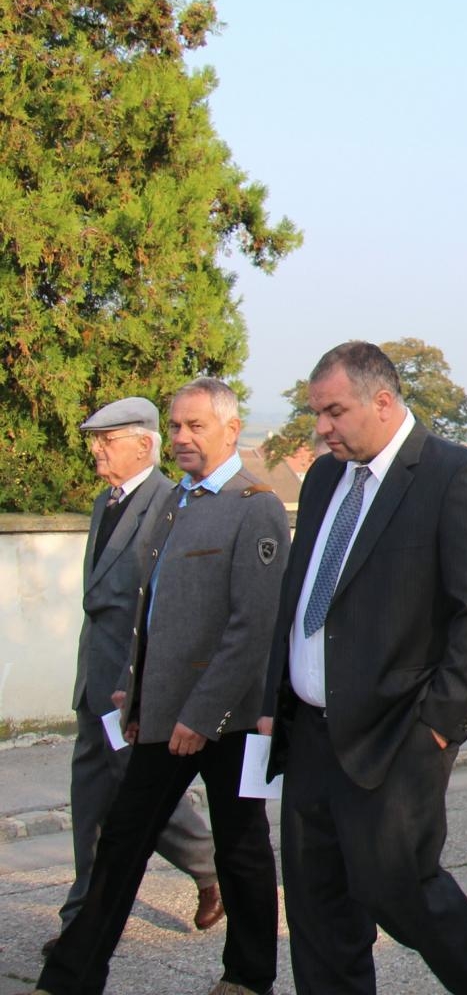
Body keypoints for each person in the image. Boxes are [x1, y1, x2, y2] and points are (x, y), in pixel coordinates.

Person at [256, 343, 467, 995]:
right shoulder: (325, 478)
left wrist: (438, 725)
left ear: (382, 401)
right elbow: (300, 591)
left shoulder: (454, 476)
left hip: (396, 731)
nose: (321, 428)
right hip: (310, 733)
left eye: (334, 412)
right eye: (316, 413)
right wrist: (276, 696)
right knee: (316, 902)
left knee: (397, 885)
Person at [40, 380, 287, 995]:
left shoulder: (254, 506)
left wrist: (201, 716)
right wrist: (135, 694)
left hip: (227, 718)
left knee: (241, 848)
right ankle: (70, 978)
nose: (180, 437)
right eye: (175, 426)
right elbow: (147, 611)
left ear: (231, 430)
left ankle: (248, 977)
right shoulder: (175, 501)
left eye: (195, 426)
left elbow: (252, 626)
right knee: (121, 842)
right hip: (161, 712)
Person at [49, 397, 220, 958]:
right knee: (90, 801)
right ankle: (80, 920)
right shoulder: (106, 503)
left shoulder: (170, 503)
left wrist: (147, 685)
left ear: (145, 445)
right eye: (94, 441)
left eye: (107, 440)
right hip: (93, 678)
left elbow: (167, 605)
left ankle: (211, 865)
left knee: (137, 790)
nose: (96, 451)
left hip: (131, 681)